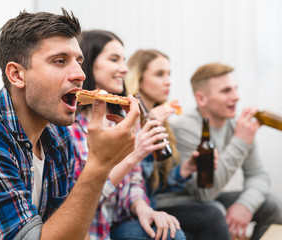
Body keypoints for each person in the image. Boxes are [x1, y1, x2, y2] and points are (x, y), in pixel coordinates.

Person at [0, 10, 141, 240]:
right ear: (17, 75)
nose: (79, 75)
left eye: (79, 62)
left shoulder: (56, 136)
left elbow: (71, 226)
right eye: (60, 61)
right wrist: (99, 164)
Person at [69, 30, 186, 240]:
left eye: (124, 60)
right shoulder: (70, 125)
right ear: (88, 63)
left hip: (120, 220)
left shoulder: (121, 115)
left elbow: (134, 181)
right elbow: (81, 201)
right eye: (114, 60)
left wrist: (143, 208)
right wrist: (136, 153)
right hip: (94, 227)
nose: (124, 69)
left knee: (172, 229)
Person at [124, 49, 231, 240]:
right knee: (212, 213)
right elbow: (132, 176)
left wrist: (186, 169)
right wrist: (146, 129)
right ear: (138, 79)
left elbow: (156, 184)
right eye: (159, 74)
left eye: (169, 74)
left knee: (215, 209)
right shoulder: (127, 119)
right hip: (132, 210)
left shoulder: (162, 118)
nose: (168, 81)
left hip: (152, 203)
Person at [170, 62, 282, 240]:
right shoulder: (185, 127)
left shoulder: (236, 126)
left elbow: (258, 174)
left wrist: (245, 205)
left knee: (273, 205)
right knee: (215, 211)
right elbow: (204, 194)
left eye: (235, 89)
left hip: (209, 199)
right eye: (226, 91)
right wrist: (240, 142)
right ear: (201, 99)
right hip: (181, 203)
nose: (236, 97)